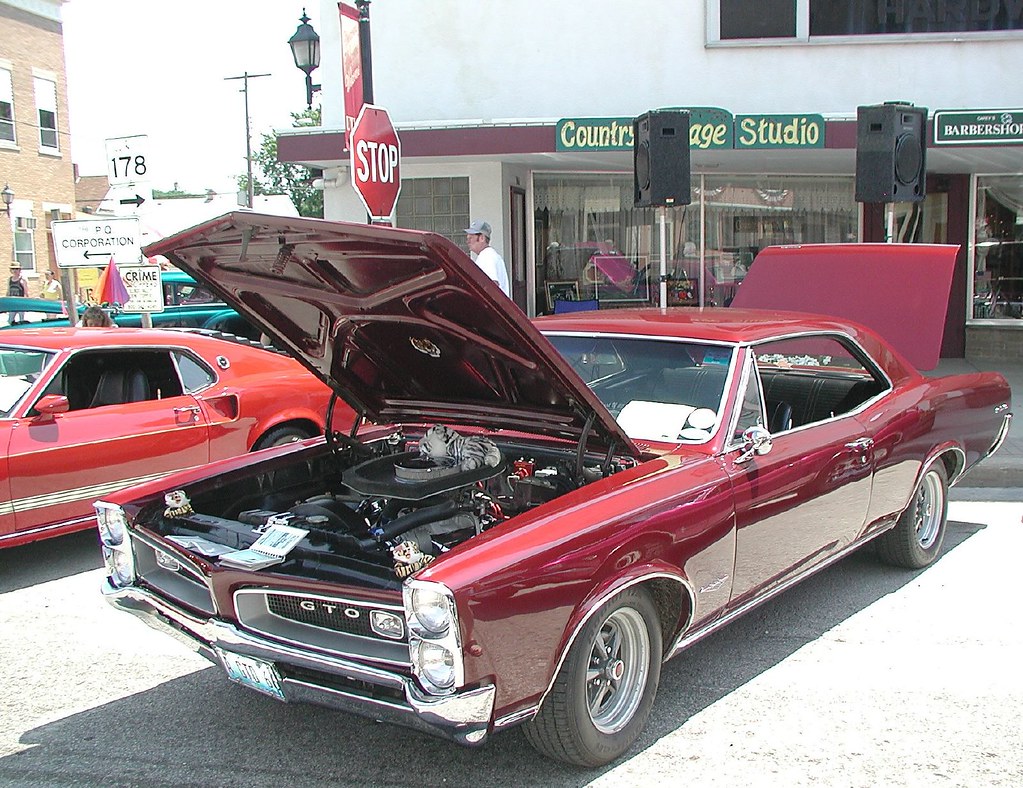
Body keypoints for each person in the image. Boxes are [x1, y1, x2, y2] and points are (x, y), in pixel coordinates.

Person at [464, 220, 511, 298]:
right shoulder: (487, 255)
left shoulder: (487, 257)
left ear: (482, 238)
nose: (468, 241)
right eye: (468, 238)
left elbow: (492, 286)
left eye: (471, 237)